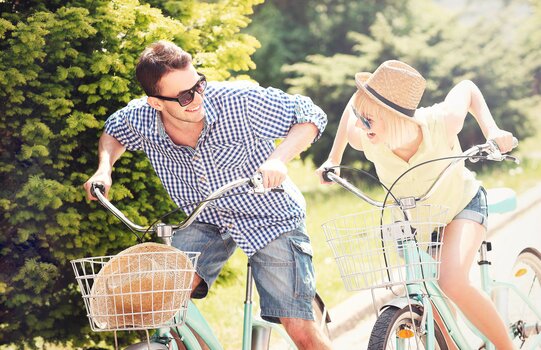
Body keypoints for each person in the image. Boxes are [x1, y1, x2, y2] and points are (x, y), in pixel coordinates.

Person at [84, 40, 332, 349]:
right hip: (201, 221)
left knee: (301, 330)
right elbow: (113, 130)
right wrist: (104, 168)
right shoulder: (141, 118)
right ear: (156, 102)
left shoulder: (238, 101)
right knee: (161, 301)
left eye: (198, 85)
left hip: (270, 217)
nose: (198, 97)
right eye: (185, 96)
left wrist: (277, 159)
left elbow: (310, 115)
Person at [316, 60, 517, 349]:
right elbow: (353, 107)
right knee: (427, 292)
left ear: (396, 116)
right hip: (418, 222)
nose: (361, 125)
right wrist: (334, 159)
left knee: (451, 282)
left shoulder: (442, 122)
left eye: (369, 119)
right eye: (362, 117)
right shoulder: (368, 139)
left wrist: (493, 130)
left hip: (461, 205)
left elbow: (467, 88)